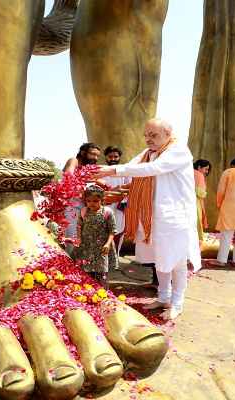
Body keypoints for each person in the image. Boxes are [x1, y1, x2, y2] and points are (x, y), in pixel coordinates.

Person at [95, 118, 201, 320]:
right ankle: (163, 296)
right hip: (151, 216)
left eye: (153, 135)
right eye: (146, 135)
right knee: (159, 258)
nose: (148, 139)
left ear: (168, 134)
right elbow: (131, 166)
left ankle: (177, 303)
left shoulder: (178, 150)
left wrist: (115, 170)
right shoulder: (147, 154)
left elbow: (154, 169)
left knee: (176, 260)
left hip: (174, 216)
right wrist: (99, 174)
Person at [71, 185, 118, 289]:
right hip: (86, 247)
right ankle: (89, 293)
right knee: (87, 271)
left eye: (95, 201)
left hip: (102, 247)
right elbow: (79, 226)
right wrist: (79, 238)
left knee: (102, 272)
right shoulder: (83, 211)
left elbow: (112, 230)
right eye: (89, 201)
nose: (91, 203)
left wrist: (108, 244)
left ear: (101, 200)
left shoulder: (107, 212)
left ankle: (103, 293)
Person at [62, 143, 102, 253]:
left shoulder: (88, 168)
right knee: (71, 237)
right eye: (93, 154)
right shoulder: (73, 161)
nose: (95, 158)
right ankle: (68, 266)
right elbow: (68, 175)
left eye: (97, 156)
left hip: (85, 207)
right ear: (83, 152)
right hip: (71, 206)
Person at [102, 146, 131, 262]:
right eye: (110, 156)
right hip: (103, 206)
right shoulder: (101, 171)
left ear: (119, 157)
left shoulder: (125, 171)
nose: (113, 159)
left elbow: (130, 187)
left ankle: (115, 259)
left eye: (116, 156)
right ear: (106, 157)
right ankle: (102, 259)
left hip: (119, 207)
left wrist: (121, 200)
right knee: (103, 233)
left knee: (118, 232)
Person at [193, 159, 211, 242]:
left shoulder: (187, 172)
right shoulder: (199, 175)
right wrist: (204, 193)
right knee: (196, 225)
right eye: (206, 169)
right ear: (199, 167)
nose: (207, 172)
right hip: (195, 203)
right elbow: (201, 193)